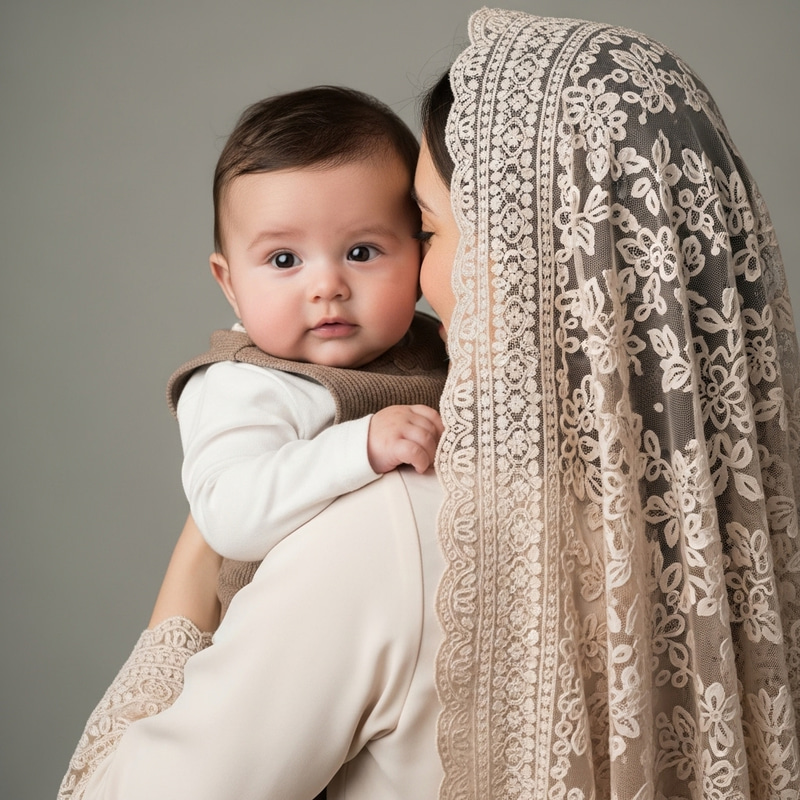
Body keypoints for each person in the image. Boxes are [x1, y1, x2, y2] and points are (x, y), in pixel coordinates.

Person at [59, 9, 800, 800]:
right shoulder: (737, 546)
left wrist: (194, 563)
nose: (414, 279)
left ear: (525, 253)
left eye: (427, 231)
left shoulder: (396, 537)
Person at [170, 86, 445, 564]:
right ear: (229, 282)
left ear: (419, 259)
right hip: (297, 627)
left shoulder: (442, 345)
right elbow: (228, 518)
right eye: (284, 259)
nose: (327, 287)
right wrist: (360, 445)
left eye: (361, 253)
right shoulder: (243, 384)